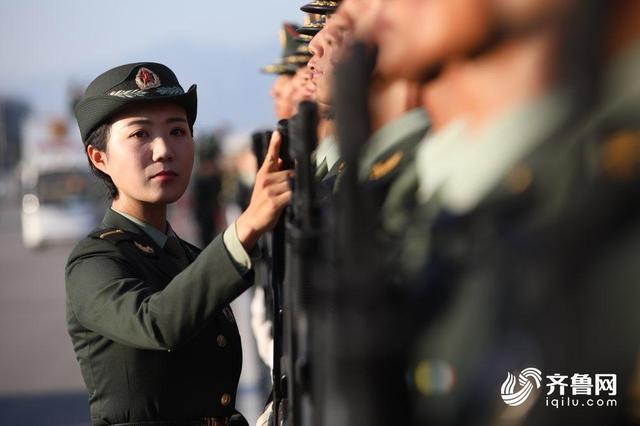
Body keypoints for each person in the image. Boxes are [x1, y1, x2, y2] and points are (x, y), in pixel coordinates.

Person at [66, 62, 292, 426]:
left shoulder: (187, 257)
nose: (163, 150)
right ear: (100, 158)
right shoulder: (94, 261)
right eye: (140, 135)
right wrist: (248, 223)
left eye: (177, 131)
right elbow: (156, 322)